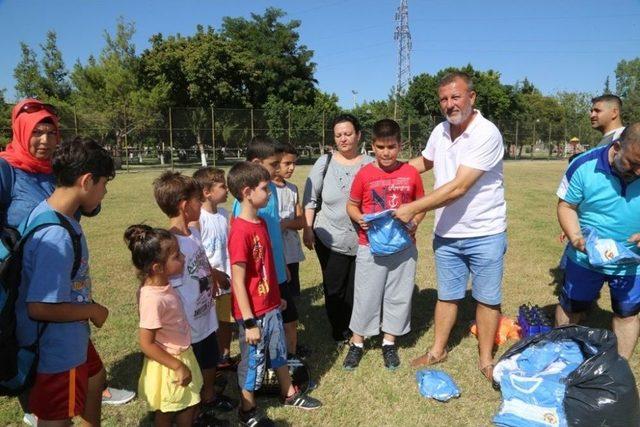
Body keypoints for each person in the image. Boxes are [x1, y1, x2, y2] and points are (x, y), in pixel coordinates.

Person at [395, 72, 507, 382]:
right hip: (447, 234)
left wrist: (413, 207)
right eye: (444, 99)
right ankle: (438, 350)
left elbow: (459, 187)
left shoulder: (487, 133)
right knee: (447, 295)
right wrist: (385, 171)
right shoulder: (440, 131)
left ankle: (486, 360)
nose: (449, 104)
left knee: (487, 298)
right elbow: (424, 162)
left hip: (485, 232)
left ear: (472, 97)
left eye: (455, 97)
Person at [15, 137, 115, 425]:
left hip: (71, 338)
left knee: (96, 378)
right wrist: (92, 310)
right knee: (58, 417)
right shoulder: (56, 236)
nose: (104, 192)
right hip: (58, 349)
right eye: (104, 185)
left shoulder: (47, 211)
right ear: (86, 181)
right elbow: (40, 307)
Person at [227, 162, 321, 427]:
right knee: (252, 362)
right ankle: (247, 410)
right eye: (264, 188)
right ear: (247, 192)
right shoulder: (240, 231)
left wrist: (276, 296)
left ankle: (288, 393)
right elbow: (238, 279)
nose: (269, 193)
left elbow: (264, 267)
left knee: (279, 352)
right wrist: (248, 322)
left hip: (270, 305)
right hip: (252, 314)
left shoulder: (260, 222)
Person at [342, 119, 425, 371]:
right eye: (380, 147)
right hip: (371, 247)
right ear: (372, 147)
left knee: (398, 296)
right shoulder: (365, 173)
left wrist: (415, 221)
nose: (386, 153)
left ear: (400, 146)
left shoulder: (410, 173)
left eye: (391, 147)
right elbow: (351, 204)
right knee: (366, 296)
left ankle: (389, 342)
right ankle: (357, 344)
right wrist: (359, 219)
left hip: (403, 248)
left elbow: (421, 205)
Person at [153, 171, 235, 424]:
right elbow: (167, 288)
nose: (201, 205)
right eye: (198, 201)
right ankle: (193, 413)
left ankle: (208, 398)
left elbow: (202, 261)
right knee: (193, 371)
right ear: (184, 205)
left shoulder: (193, 234)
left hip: (205, 317)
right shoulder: (170, 245)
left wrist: (215, 274)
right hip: (187, 327)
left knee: (209, 361)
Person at [555, 123, 640, 360]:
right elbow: (567, 206)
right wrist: (574, 236)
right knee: (572, 307)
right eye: (632, 163)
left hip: (632, 263)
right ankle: (561, 356)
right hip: (584, 258)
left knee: (628, 314)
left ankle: (619, 368)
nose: (638, 172)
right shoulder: (583, 165)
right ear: (616, 147)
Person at [302, 114, 373, 344]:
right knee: (335, 288)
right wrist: (308, 228)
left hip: (363, 239)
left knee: (358, 287)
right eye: (338, 135)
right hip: (329, 236)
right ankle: (339, 329)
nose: (343, 139)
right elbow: (310, 199)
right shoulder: (325, 163)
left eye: (348, 133)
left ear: (358, 135)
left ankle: (357, 329)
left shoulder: (370, 164)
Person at [124, 225, 203, 427]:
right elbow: (146, 343)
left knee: (187, 403)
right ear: (157, 267)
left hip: (180, 354)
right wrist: (177, 366)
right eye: (177, 256)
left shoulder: (161, 284)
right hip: (170, 363)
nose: (183, 258)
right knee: (171, 410)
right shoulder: (153, 298)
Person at [231, 136, 300, 359]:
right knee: (279, 321)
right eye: (273, 164)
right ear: (256, 163)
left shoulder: (271, 191)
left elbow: (272, 235)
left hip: (277, 270)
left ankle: (288, 358)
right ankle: (280, 362)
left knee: (288, 319)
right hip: (262, 279)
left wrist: (282, 263)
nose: (279, 168)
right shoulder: (247, 200)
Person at [191, 167, 236, 370]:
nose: (227, 189)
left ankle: (224, 356)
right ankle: (209, 359)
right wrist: (213, 274)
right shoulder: (198, 219)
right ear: (207, 192)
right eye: (222, 186)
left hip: (227, 280)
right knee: (209, 323)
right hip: (208, 283)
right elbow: (197, 252)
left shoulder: (225, 215)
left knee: (225, 320)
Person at [273, 142, 307, 357]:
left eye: (294, 163)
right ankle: (279, 346)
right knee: (278, 301)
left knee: (291, 296)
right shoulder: (265, 190)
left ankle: (290, 344)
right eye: (287, 163)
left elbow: (300, 220)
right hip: (276, 257)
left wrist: (286, 224)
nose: (291, 168)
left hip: (291, 253)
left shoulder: (292, 189)